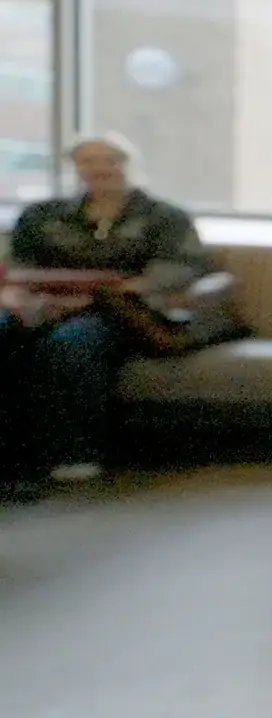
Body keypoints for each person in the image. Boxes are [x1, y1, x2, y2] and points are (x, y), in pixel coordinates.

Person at [2, 134, 215, 490]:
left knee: (69, 344)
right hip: (43, 306)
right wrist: (20, 296)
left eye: (111, 160)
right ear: (75, 169)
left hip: (118, 313)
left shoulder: (164, 217)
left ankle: (73, 454)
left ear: (130, 166)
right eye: (88, 161)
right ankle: (11, 461)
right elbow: (18, 267)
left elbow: (182, 267)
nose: (100, 168)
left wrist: (109, 293)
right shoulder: (41, 216)